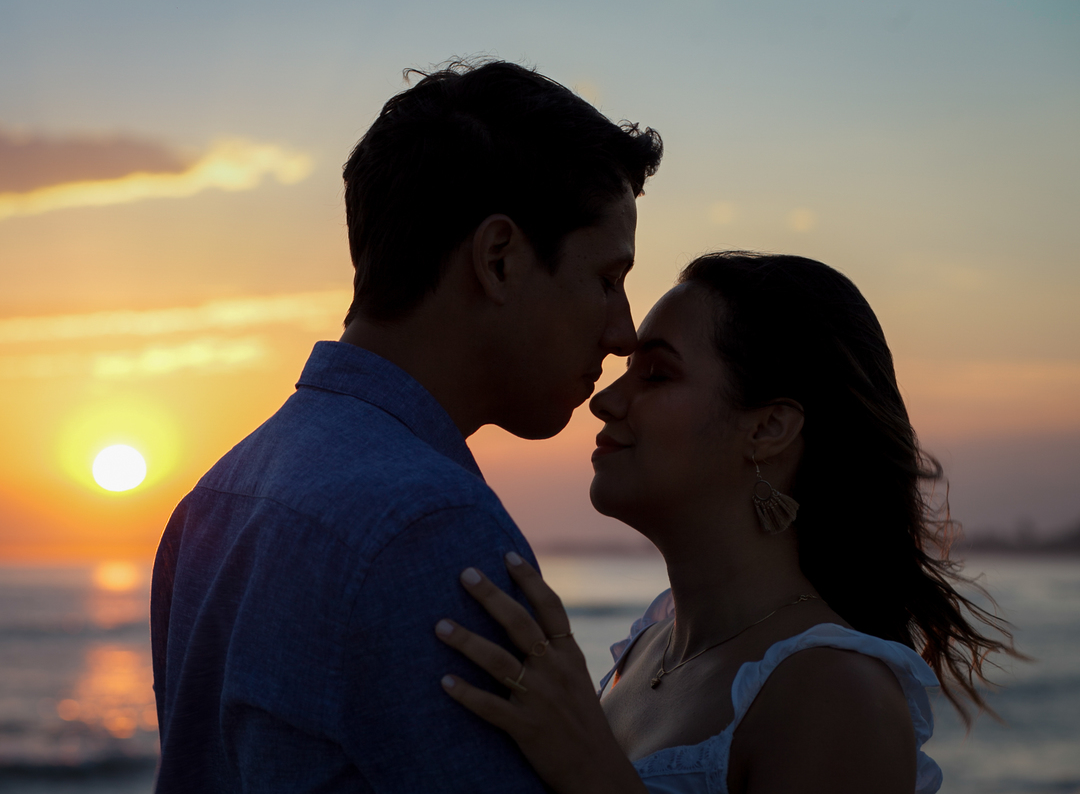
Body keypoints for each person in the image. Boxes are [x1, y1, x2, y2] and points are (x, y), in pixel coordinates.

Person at [149, 59, 663, 791]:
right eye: (608, 280)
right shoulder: (431, 527)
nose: (624, 332)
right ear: (499, 259)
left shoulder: (216, 497)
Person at [435, 252, 1020, 794]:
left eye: (657, 375)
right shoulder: (647, 646)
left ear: (767, 429)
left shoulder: (834, 690)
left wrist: (589, 768)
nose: (606, 400)